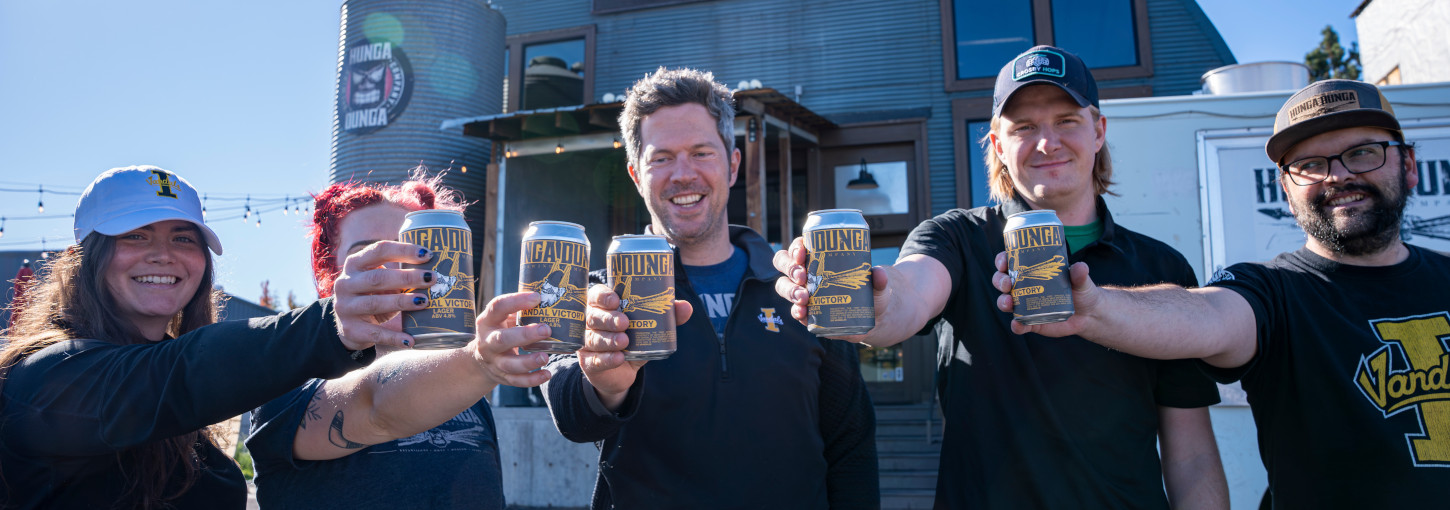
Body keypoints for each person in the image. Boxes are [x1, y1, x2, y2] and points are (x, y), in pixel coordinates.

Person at [775, 46, 1228, 508]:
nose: (1047, 142)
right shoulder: (958, 238)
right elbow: (909, 295)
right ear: (997, 145)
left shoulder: (1163, 269)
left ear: (1098, 131)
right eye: (1024, 127)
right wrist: (873, 302)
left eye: (1066, 120)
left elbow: (1190, 452)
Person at [993, 79, 1450, 507]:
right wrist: (1094, 308)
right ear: (1286, 190)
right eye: (1310, 165)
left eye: (1363, 152)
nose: (1337, 176)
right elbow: (1205, 313)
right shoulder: (1272, 292)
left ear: (1408, 165)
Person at [542, 67, 879, 509]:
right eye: (661, 158)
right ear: (636, 176)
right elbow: (570, 414)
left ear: (732, 164)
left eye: (701, 152)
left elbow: (851, 445)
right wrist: (603, 382)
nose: (683, 174)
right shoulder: (599, 300)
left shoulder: (803, 289)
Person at [0, 165, 428, 508]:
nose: (163, 254)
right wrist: (330, 323)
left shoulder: (186, 401)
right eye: (135, 234)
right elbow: (185, 372)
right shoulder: (48, 374)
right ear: (82, 257)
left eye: (183, 238)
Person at [244, 174, 551, 508]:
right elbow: (375, 406)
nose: (397, 271)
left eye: (415, 254)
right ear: (329, 274)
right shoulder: (287, 378)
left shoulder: (469, 393)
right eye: (371, 255)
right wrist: (479, 361)